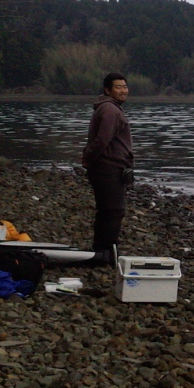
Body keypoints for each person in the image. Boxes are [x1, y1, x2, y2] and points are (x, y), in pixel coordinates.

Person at [81, 72, 133, 256]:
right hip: (108, 167)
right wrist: (89, 159)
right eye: (118, 87)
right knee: (113, 210)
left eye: (125, 87)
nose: (123, 91)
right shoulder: (110, 110)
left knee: (107, 210)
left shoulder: (109, 108)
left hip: (108, 166)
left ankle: (102, 249)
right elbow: (102, 140)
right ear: (107, 90)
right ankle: (106, 251)